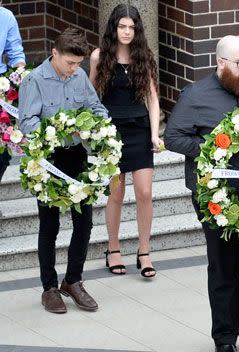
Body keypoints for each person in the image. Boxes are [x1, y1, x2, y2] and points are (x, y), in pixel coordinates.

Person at [164, 35, 239, 352]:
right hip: (217, 197)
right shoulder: (196, 96)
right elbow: (173, 138)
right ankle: (225, 338)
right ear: (220, 63)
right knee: (224, 267)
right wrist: (210, 149)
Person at [18, 28, 108, 314]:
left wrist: (99, 124)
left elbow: (96, 108)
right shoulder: (34, 81)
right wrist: (56, 129)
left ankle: (73, 281)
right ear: (54, 53)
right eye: (69, 63)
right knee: (50, 225)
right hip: (48, 159)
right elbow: (26, 123)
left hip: (77, 156)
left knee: (85, 223)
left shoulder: (80, 76)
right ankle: (49, 288)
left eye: (77, 64)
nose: (74, 69)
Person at [89, 4, 161, 278]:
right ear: (114, 27)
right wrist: (95, 130)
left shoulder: (144, 56)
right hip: (111, 132)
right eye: (122, 26)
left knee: (144, 192)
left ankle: (144, 251)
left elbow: (153, 98)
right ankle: (113, 248)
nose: (127, 31)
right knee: (116, 193)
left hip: (139, 130)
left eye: (132, 27)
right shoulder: (99, 57)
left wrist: (154, 133)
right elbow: (91, 95)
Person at [0, 3, 26, 181]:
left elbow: (16, 54)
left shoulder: (6, 16)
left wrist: (20, 74)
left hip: (0, 85)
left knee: (3, 153)